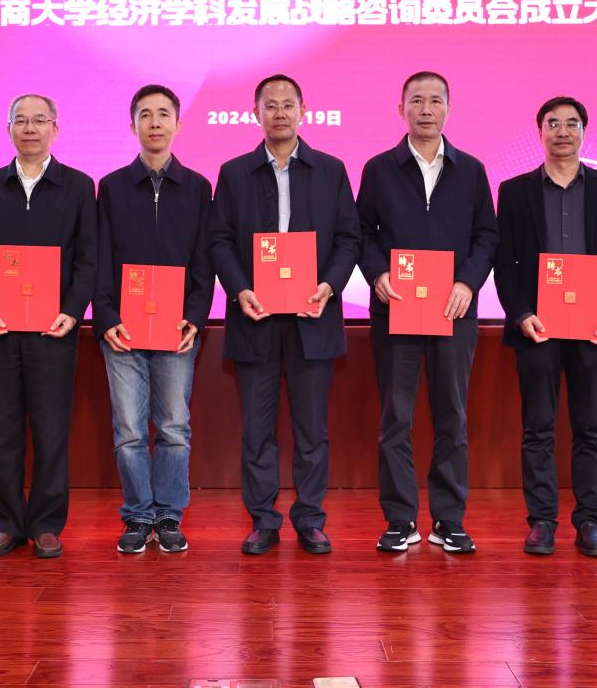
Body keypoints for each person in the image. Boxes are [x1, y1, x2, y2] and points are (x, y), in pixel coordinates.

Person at [208, 73, 361, 555]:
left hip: (313, 318)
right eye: (269, 105)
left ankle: (310, 519)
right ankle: (263, 520)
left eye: (287, 104)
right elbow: (219, 240)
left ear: (302, 111)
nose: (279, 112)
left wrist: (329, 285)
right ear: (256, 113)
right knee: (257, 430)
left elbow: (349, 238)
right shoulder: (234, 173)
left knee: (312, 429)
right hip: (254, 317)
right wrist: (240, 289)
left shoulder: (331, 170)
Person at [356, 71, 498, 554]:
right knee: (396, 418)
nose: (426, 109)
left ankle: (449, 519)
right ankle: (400, 519)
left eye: (436, 101)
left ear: (448, 110)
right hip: (395, 310)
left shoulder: (471, 170)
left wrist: (467, 282)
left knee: (451, 416)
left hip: (453, 310)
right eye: (416, 101)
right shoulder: (379, 169)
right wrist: (377, 273)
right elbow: (361, 232)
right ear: (401, 110)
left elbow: (487, 236)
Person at [493, 96, 597, 558]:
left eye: (572, 124)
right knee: (537, 428)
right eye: (553, 124)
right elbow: (504, 263)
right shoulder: (515, 191)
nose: (562, 132)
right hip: (538, 327)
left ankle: (589, 521)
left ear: (584, 132)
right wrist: (520, 314)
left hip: (594, 327)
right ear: (540, 133)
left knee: (589, 428)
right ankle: (541, 521)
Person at [0, 93, 96, 559]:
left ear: (55, 129)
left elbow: (88, 258)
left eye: (40, 120)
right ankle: (7, 523)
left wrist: (72, 311)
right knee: (4, 431)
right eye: (21, 120)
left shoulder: (78, 187)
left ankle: (46, 524)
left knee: (51, 431)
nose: (30, 128)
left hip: (53, 330)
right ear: (9, 130)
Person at [94, 85, 214, 554]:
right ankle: (137, 515)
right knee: (128, 429)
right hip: (122, 328)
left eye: (164, 114)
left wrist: (195, 317)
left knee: (173, 427)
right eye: (145, 114)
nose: (155, 122)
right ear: (133, 126)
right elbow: (100, 257)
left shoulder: (198, 187)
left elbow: (204, 261)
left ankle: (168, 515)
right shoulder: (112, 187)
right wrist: (106, 315)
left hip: (176, 328)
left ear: (178, 124)